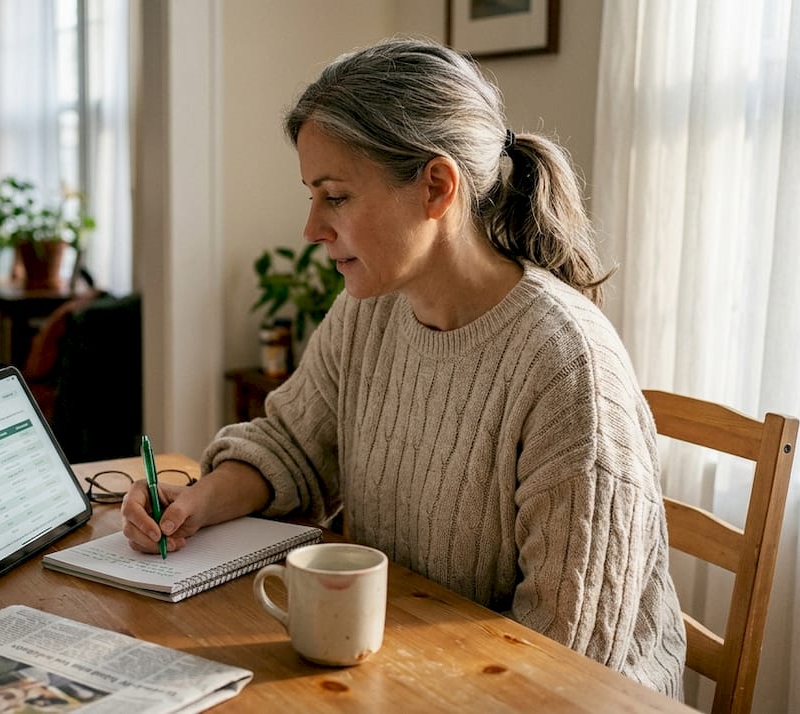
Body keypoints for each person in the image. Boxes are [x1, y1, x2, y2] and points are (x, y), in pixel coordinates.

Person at [121, 36, 686, 698]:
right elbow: (291, 444)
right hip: (408, 663)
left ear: (436, 187)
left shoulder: (566, 367)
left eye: (335, 196)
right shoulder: (371, 311)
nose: (311, 227)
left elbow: (565, 659)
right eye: (312, 195)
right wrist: (197, 501)